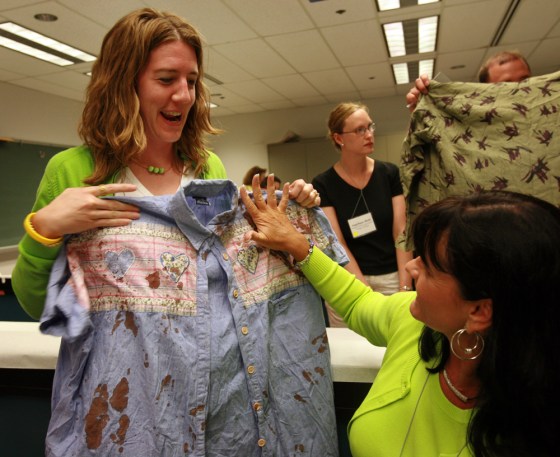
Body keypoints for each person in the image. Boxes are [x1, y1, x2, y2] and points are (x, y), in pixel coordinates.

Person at [11, 9, 319, 320]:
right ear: (124, 84)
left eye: (192, 81)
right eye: (166, 79)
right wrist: (44, 229)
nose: (185, 96)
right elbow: (39, 306)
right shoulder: (72, 171)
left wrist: (289, 213)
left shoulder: (207, 167)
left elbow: (230, 280)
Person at [241, 175, 560, 457]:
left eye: (430, 267)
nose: (410, 267)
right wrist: (299, 245)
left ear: (478, 311)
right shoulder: (415, 324)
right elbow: (357, 302)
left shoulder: (528, 431)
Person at [312, 102, 412, 326]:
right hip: (349, 280)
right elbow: (336, 241)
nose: (369, 135)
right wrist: (362, 290)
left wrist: (405, 287)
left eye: (370, 127)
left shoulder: (389, 174)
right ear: (339, 139)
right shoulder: (324, 183)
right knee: (351, 352)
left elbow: (401, 230)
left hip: (391, 277)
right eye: (360, 130)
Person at [406, 50, 532, 112]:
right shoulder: (476, 130)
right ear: (487, 91)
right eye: (506, 85)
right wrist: (420, 112)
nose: (520, 88)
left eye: (525, 80)